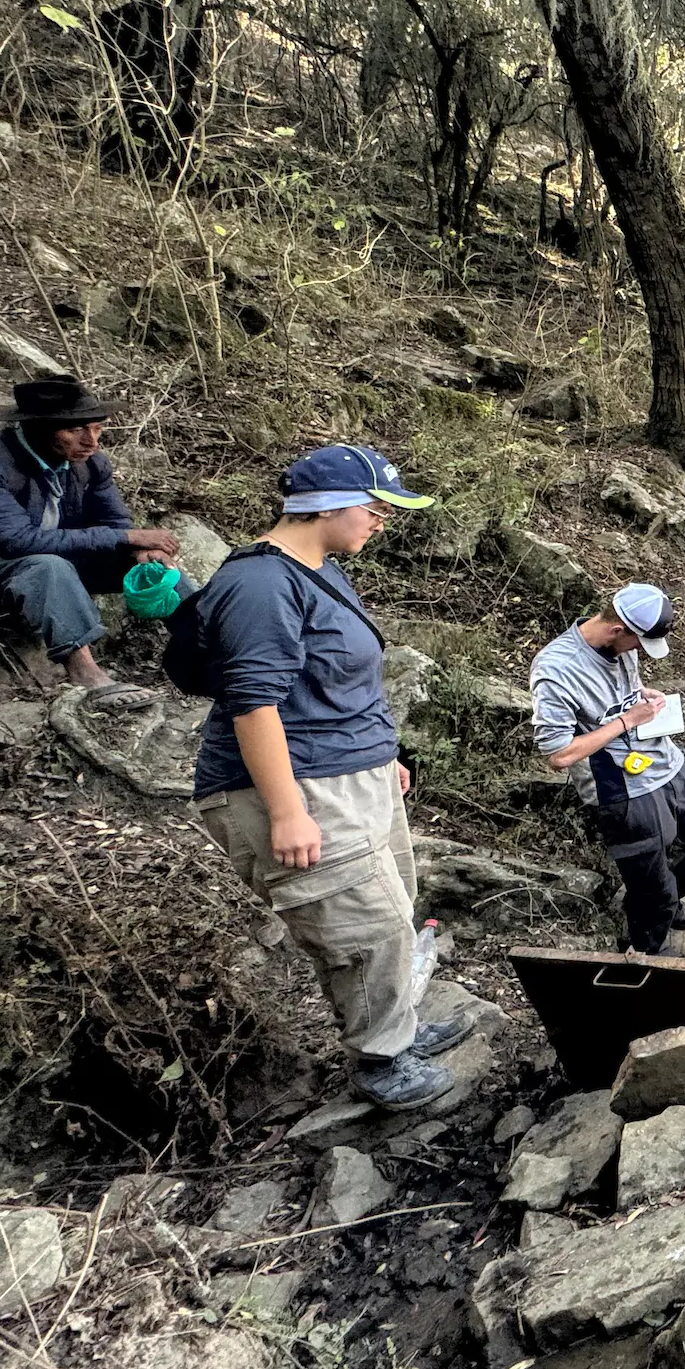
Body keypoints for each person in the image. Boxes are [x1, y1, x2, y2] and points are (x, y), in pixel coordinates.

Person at [192, 444, 473, 1110]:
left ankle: (395, 1029)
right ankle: (382, 1065)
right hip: (295, 784)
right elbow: (252, 704)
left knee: (390, 912)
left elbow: (334, 680)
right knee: (361, 927)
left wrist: (384, 758)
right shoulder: (260, 585)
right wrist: (286, 810)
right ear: (330, 505)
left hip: (354, 773)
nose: (382, 521)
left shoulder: (319, 568)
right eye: (375, 508)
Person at [530, 583, 685, 956]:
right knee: (653, 881)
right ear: (618, 629)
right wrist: (628, 720)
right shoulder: (557, 669)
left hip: (666, 763)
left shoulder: (618, 647)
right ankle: (647, 949)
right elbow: (559, 754)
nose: (639, 652)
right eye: (638, 644)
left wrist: (643, 694)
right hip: (623, 787)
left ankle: (656, 900)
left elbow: (620, 693)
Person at [0, 376, 180, 707]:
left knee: (151, 560)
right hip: (2, 566)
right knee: (48, 566)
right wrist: (125, 536)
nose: (91, 441)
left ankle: (206, 640)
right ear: (38, 428)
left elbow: (114, 522)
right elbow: (17, 541)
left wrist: (138, 546)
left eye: (96, 428)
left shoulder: (91, 464)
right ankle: (88, 676)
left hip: (54, 562)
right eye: (75, 430)